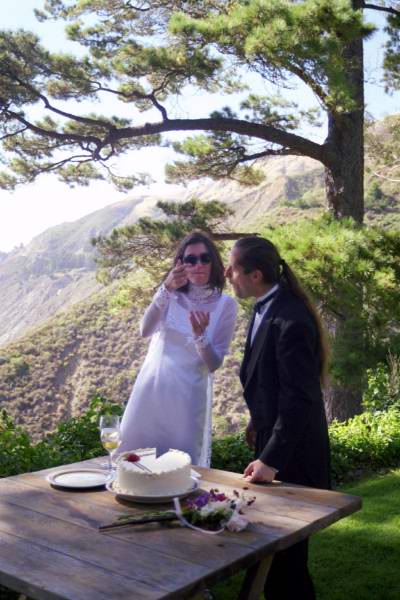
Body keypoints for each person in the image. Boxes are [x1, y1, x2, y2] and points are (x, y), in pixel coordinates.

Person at [225, 236, 331, 600]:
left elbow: (300, 399)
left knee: (287, 566)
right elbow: (271, 381)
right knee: (274, 562)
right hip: (274, 443)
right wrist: (258, 421)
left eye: (233, 268)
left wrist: (271, 461)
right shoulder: (265, 307)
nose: (227, 274)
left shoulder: (291, 319)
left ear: (255, 275)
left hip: (294, 457)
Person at [119, 231, 237, 466]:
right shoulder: (168, 295)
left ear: (213, 262)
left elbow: (214, 364)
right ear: (180, 264)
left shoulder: (227, 306)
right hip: (152, 390)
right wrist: (165, 288)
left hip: (188, 401)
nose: (198, 264)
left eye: (205, 258)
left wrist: (200, 336)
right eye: (191, 259)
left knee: (181, 469)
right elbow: (145, 330)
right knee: (132, 464)